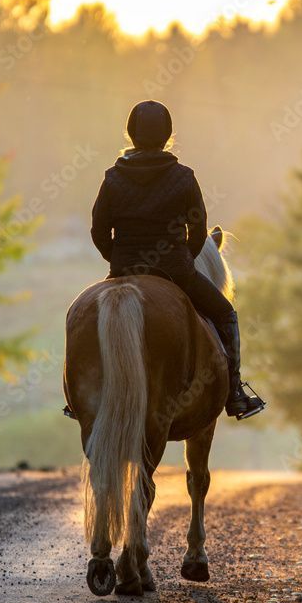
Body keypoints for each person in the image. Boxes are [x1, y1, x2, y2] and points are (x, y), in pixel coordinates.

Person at [89, 100, 265, 419]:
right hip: (175, 271)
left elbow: (99, 229)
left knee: (86, 317)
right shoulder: (184, 177)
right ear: (168, 135)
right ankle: (235, 393)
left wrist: (118, 261)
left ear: (131, 134)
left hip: (123, 269)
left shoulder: (112, 178)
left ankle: (83, 395)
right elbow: (198, 231)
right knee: (226, 314)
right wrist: (182, 259)